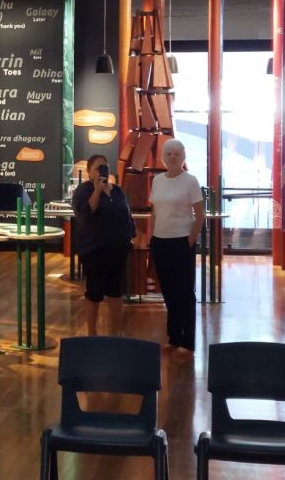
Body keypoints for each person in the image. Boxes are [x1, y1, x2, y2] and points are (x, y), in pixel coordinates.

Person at [149, 139, 205, 353]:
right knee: (168, 290)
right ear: (163, 157)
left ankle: (187, 340)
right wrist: (152, 237)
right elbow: (155, 211)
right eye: (169, 153)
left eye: (177, 154)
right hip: (160, 241)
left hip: (181, 241)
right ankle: (174, 336)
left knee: (184, 292)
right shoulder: (157, 180)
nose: (172, 157)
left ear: (183, 157)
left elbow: (200, 215)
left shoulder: (190, 181)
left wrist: (190, 239)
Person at [72, 154, 136, 336]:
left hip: (118, 248)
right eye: (98, 168)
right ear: (89, 172)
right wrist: (97, 190)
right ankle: (92, 333)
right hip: (94, 249)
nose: (102, 171)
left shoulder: (117, 191)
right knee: (94, 291)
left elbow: (126, 213)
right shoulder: (83, 190)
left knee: (115, 291)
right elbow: (85, 214)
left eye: (105, 167)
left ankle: (116, 331)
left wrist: (131, 235)